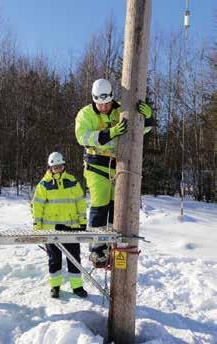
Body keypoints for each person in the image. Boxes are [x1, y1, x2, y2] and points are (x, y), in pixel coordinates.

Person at [75, 79, 152, 266]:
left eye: (107, 103)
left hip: (117, 165)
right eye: (100, 104)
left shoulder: (121, 110)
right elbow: (81, 137)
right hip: (96, 164)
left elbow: (141, 132)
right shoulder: (85, 114)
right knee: (100, 201)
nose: (104, 107)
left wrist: (146, 118)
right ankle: (96, 248)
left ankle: (110, 244)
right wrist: (109, 133)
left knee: (115, 206)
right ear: (94, 101)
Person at [32, 151, 88, 299]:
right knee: (54, 259)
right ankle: (55, 287)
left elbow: (80, 202)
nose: (57, 168)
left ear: (63, 165)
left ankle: (77, 287)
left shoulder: (72, 181)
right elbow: (37, 206)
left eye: (60, 165)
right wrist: (37, 226)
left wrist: (82, 222)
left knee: (74, 258)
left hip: (71, 229)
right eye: (54, 166)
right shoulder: (44, 185)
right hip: (51, 230)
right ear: (50, 167)